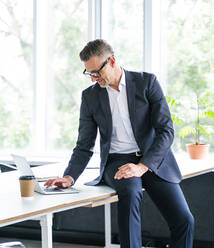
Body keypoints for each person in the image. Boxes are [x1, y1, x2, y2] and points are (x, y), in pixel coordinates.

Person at [44, 39, 194, 248]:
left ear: (112, 61)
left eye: (97, 72)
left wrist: (142, 167)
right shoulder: (90, 97)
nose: (93, 78)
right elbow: (84, 145)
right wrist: (69, 176)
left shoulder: (146, 83)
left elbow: (166, 131)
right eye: (89, 74)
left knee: (184, 220)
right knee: (131, 193)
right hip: (118, 161)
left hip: (152, 160)